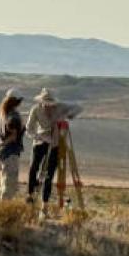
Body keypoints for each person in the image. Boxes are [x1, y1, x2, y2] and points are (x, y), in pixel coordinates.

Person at [25, 87, 82, 215]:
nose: (48, 107)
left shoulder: (61, 107)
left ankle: (44, 206)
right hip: (40, 142)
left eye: (51, 104)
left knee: (49, 174)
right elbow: (29, 130)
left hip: (56, 143)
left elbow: (79, 107)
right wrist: (41, 136)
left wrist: (66, 116)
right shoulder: (35, 109)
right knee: (34, 167)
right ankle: (30, 195)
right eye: (46, 104)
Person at [0, 88, 25, 201]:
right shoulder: (13, 117)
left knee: (3, 185)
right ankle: (2, 212)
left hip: (1, 154)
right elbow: (13, 136)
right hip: (10, 153)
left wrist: (0, 146)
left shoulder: (2, 114)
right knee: (9, 187)